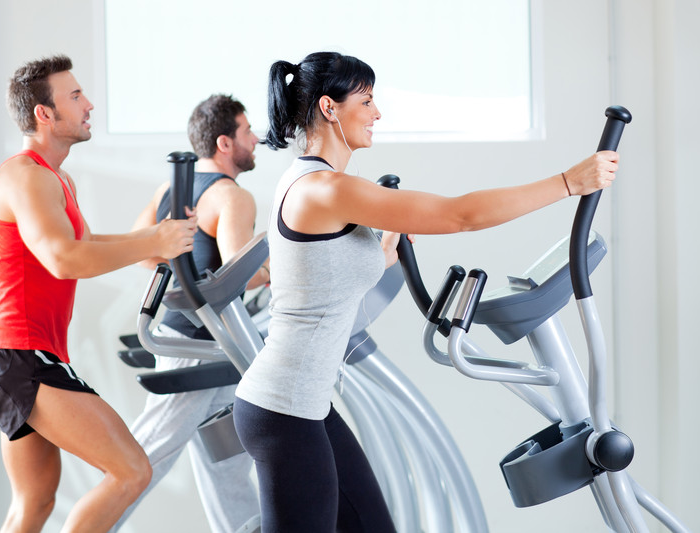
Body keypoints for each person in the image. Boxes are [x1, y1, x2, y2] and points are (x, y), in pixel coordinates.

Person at [232, 51, 620, 532]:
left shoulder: (318, 185)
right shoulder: (325, 189)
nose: (378, 114)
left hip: (305, 407)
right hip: (283, 411)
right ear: (330, 108)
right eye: (368, 101)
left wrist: (386, 250)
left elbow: (322, 276)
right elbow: (461, 216)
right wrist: (568, 182)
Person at [0, 55, 197, 533]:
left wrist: (154, 237)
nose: (89, 104)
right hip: (19, 354)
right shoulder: (25, 177)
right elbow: (63, 259)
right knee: (131, 471)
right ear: (43, 114)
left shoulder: (56, 179)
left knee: (33, 503)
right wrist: (153, 243)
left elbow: (86, 244)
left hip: (14, 354)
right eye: (75, 97)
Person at [112, 94, 266, 532]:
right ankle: (92, 523)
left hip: (208, 343)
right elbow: (242, 273)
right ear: (224, 142)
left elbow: (143, 253)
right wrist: (277, 270)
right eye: (246, 131)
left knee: (226, 459)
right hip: (199, 345)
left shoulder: (170, 190)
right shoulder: (231, 196)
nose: (255, 139)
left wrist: (188, 264)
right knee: (145, 457)